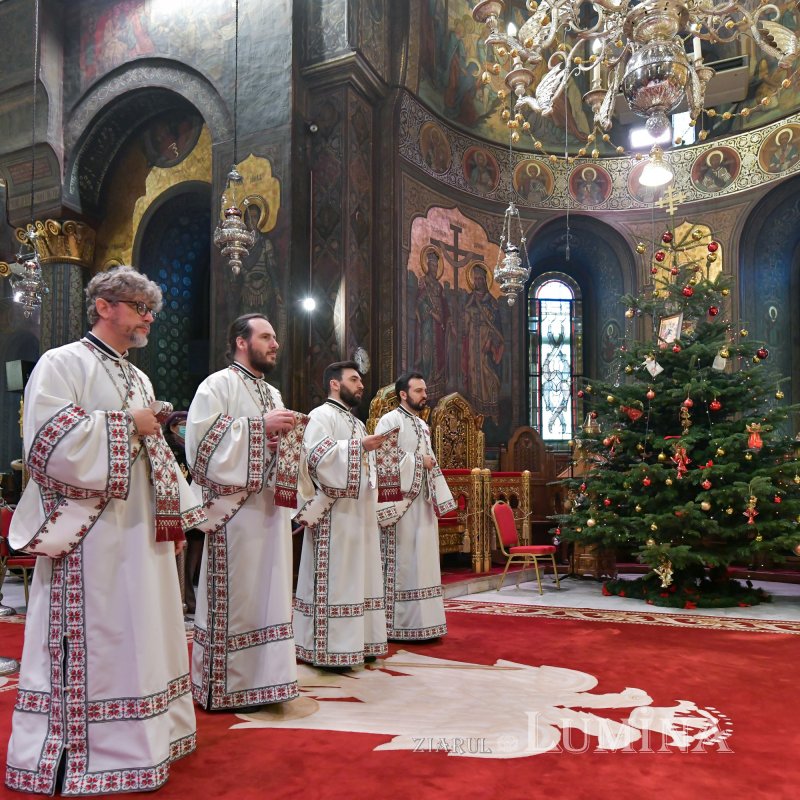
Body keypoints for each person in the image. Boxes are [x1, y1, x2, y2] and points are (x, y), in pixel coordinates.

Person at [5, 266, 203, 795]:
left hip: (139, 530)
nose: (149, 318)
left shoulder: (139, 377)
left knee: (142, 628)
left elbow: (152, 448)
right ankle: (86, 751)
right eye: (140, 307)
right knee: (104, 631)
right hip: (89, 537)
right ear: (105, 306)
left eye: (151, 310)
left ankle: (149, 738)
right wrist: (126, 426)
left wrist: (176, 509)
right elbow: (45, 443)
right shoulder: (62, 362)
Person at [186, 313, 302, 711]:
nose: (275, 345)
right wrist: (258, 430)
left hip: (269, 512)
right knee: (237, 599)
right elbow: (200, 449)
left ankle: (266, 680)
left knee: (270, 596)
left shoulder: (273, 394)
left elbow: (275, 441)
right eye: (267, 337)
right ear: (241, 341)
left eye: (275, 338)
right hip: (234, 516)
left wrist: (281, 440)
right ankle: (224, 684)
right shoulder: (217, 385)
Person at [293, 361, 390, 668]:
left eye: (360, 380)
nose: (361, 385)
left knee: (359, 576)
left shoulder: (357, 422)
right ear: (335, 384)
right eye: (354, 379)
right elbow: (313, 458)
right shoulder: (321, 416)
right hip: (333, 516)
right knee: (336, 578)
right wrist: (357, 447)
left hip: (358, 514)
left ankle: (359, 642)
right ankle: (326, 647)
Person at [375, 372, 456, 640]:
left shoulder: (422, 425)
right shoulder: (390, 420)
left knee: (424, 562)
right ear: (403, 394)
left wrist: (439, 497)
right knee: (404, 563)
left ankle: (425, 623)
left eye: (424, 390)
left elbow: (429, 459)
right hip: (401, 505)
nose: (424, 395)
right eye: (419, 391)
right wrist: (418, 461)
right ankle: (397, 626)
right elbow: (383, 458)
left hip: (422, 502)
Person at [164, 410, 204, 615]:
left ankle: (190, 599)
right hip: (174, 507)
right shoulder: (167, 447)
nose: (185, 428)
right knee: (175, 558)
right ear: (172, 427)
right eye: (181, 424)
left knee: (193, 559)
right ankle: (177, 600)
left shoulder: (192, 447)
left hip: (195, 505)